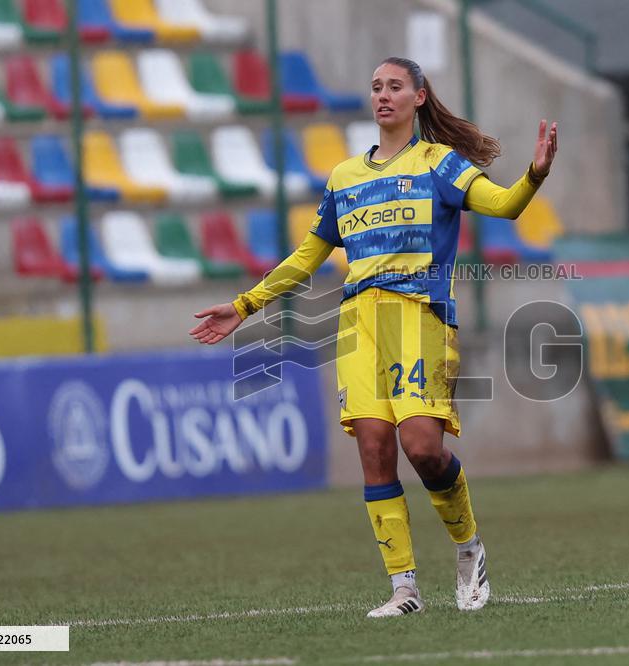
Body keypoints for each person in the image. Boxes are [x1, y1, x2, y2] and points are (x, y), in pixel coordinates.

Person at [190, 56, 557, 618]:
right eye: (375, 88)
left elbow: (505, 206)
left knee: (423, 449)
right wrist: (245, 306)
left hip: (419, 317)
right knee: (374, 450)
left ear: (419, 97)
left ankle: (468, 547)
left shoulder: (440, 164)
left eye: (394, 87)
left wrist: (534, 174)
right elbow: (308, 256)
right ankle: (404, 589)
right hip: (359, 323)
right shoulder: (344, 178)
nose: (382, 95)